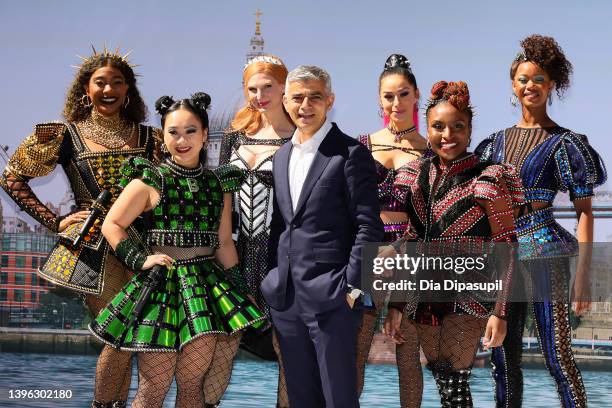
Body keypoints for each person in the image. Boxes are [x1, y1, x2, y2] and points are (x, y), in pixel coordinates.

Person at [0, 47, 160, 408]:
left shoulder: (153, 138)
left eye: (117, 82)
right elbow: (12, 178)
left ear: (128, 89)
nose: (109, 89)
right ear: (85, 89)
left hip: (144, 247)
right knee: (117, 332)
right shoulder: (63, 135)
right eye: (100, 82)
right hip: (92, 247)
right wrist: (55, 220)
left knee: (131, 335)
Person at [89, 93, 265, 408]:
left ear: (205, 135)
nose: (181, 140)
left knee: (191, 386)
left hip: (206, 288)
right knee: (154, 386)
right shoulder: (150, 179)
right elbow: (111, 224)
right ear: (163, 135)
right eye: (173, 132)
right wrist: (139, 259)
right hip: (161, 287)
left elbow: (224, 242)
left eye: (190, 131)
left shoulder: (218, 184)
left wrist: (239, 287)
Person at [476, 34, 607, 408]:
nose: (529, 86)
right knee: (502, 358)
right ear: (512, 85)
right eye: (523, 79)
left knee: (557, 356)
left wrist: (582, 275)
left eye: (538, 79)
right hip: (501, 257)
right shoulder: (492, 144)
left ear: (551, 86)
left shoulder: (567, 143)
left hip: (546, 252)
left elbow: (584, 212)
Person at [384, 81, 524, 407]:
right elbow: (412, 242)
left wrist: (500, 313)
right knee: (444, 381)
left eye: (457, 127)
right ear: (427, 128)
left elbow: (508, 246)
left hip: (472, 293)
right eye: (438, 126)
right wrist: (395, 305)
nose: (448, 135)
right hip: (424, 292)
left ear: (470, 129)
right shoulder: (415, 176)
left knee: (456, 382)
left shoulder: (489, 177)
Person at [261, 65, 384, 408]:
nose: (305, 105)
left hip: (334, 297)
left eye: (315, 97)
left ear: (329, 100)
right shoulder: (282, 155)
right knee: (301, 398)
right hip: (286, 298)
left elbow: (368, 227)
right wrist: (271, 280)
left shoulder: (351, 154)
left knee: (339, 398)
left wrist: (355, 288)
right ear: (285, 102)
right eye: (297, 97)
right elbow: (280, 225)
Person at [218, 54, 294, 408]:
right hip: (233, 252)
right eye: (252, 88)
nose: (259, 95)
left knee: (287, 348)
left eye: (268, 87)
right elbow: (219, 201)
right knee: (222, 344)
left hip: (281, 255)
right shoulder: (234, 136)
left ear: (284, 88)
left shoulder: (300, 137)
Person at [356, 53, 428, 404]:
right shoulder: (360, 145)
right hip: (366, 251)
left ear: (417, 96)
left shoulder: (431, 152)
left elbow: (430, 218)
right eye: (388, 96)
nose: (395, 103)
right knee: (355, 351)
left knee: (407, 353)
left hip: (410, 254)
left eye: (403, 94)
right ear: (378, 99)